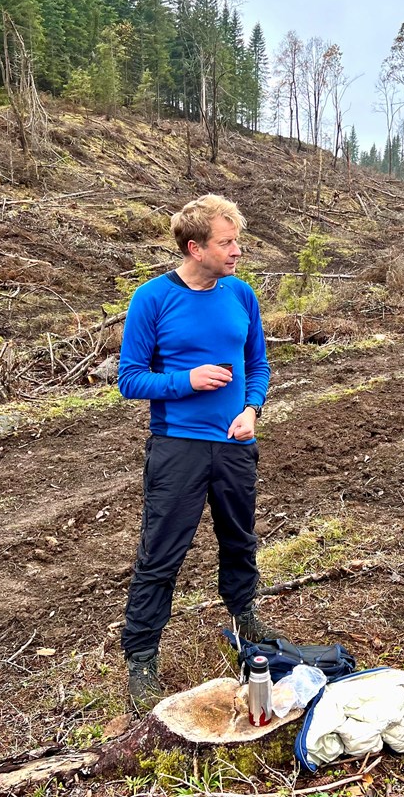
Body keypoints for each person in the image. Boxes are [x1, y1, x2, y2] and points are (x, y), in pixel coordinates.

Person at [118, 193, 280, 710]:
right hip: (178, 447)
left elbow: (258, 364)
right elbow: (130, 379)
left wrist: (252, 409)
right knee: (161, 553)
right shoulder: (153, 299)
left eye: (237, 241)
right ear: (195, 248)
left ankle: (244, 616)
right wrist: (187, 380)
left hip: (235, 443)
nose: (237, 251)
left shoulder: (241, 295)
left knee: (239, 539)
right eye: (226, 242)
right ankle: (142, 655)